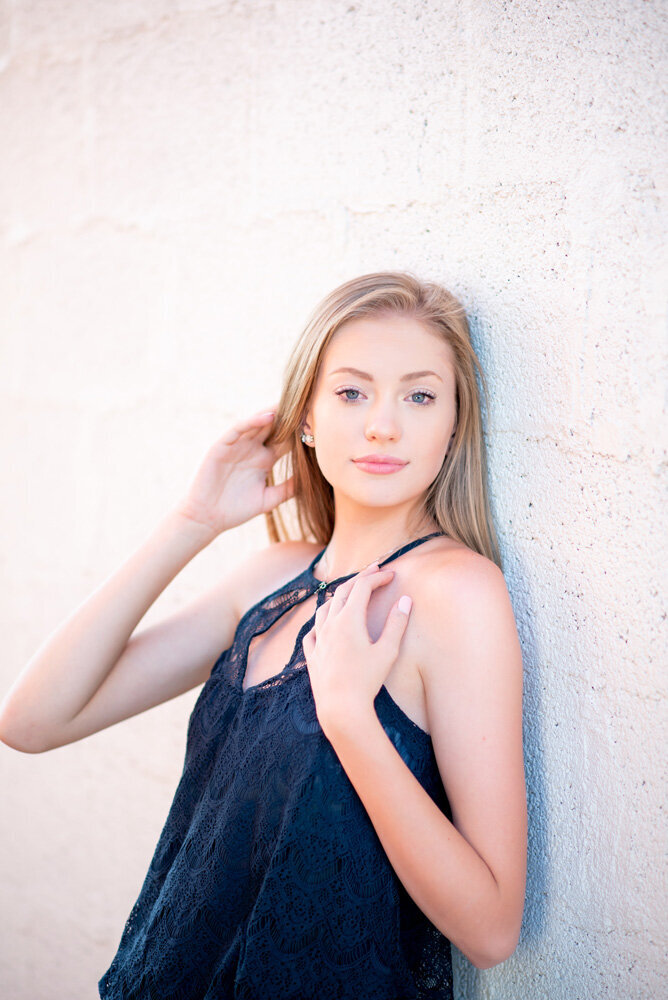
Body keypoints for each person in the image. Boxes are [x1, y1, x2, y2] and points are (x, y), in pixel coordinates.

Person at [0, 271, 527, 999]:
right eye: (351, 392)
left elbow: (492, 928)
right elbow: (32, 721)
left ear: (454, 424)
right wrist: (192, 522)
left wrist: (350, 719)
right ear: (305, 416)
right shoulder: (271, 580)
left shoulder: (456, 595)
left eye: (420, 395)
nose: (383, 424)